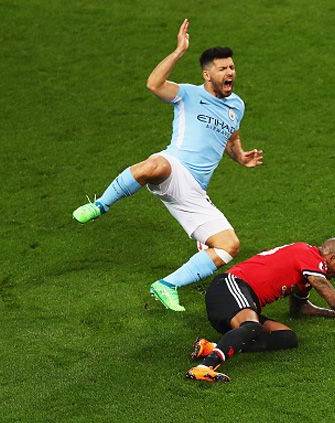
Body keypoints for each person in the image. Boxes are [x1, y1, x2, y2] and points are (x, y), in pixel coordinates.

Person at [71, 19, 263, 312]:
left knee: (229, 245)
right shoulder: (187, 94)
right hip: (175, 166)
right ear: (207, 74)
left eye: (232, 67)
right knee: (155, 165)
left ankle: (167, 285)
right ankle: (101, 205)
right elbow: (153, 84)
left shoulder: (237, 105)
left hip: (194, 190)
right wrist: (178, 52)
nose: (230, 73)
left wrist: (240, 156)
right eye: (223, 68)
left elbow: (230, 136)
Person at [185, 238, 335, 383]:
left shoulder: (306, 269)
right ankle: (206, 366)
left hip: (236, 301)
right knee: (252, 327)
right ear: (331, 258)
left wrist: (332, 314)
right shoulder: (309, 256)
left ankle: (211, 347)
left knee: (287, 337)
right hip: (230, 286)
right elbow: (334, 298)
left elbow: (300, 308)